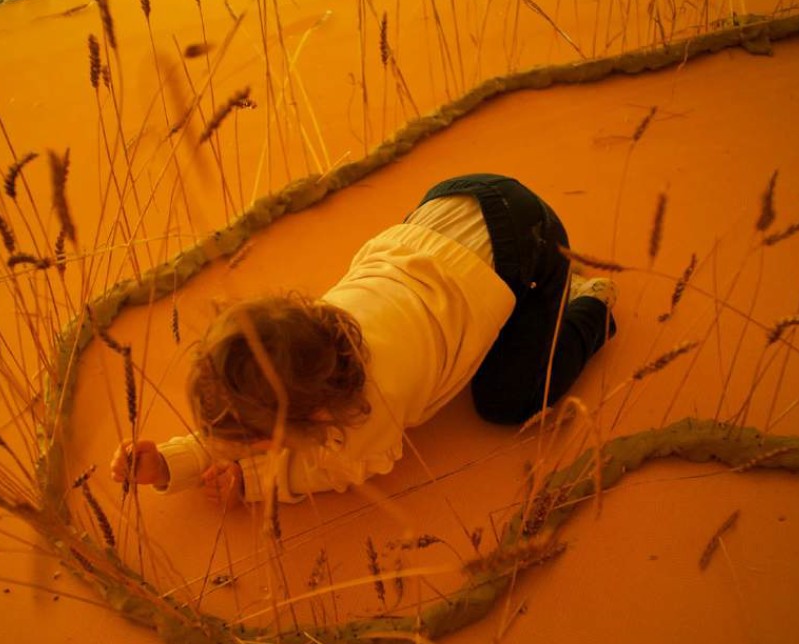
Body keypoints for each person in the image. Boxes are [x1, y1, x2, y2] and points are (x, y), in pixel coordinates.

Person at [110, 174, 616, 504]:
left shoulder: (369, 414)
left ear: (320, 418)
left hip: (526, 244)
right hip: (450, 204)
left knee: (510, 399)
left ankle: (589, 302)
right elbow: (249, 403)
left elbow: (344, 466)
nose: (245, 446)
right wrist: (173, 462)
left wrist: (254, 482)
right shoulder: (306, 337)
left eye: (258, 441)